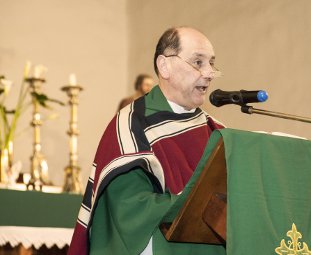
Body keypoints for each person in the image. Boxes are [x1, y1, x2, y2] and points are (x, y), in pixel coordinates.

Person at [68, 26, 225, 255]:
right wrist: (192, 204)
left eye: (211, 63)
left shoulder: (217, 131)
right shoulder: (131, 126)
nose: (209, 72)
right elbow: (128, 209)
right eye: (198, 62)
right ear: (165, 66)